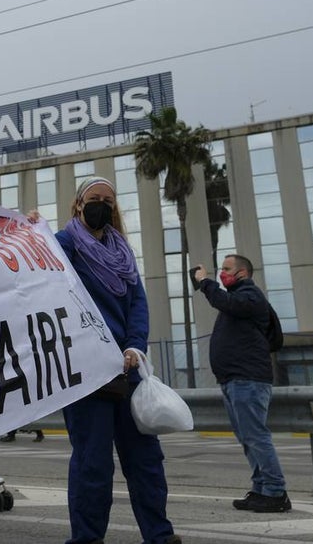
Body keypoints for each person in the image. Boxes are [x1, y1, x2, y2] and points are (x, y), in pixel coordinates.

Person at [46, 177, 181, 544]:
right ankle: (86, 539)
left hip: (129, 367)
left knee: (146, 460)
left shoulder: (123, 253)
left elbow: (137, 303)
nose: (101, 205)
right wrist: (32, 231)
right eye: (94, 199)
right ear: (78, 205)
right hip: (89, 371)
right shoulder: (64, 244)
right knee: (93, 464)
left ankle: (160, 535)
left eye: (108, 200)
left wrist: (135, 345)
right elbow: (44, 279)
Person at [193, 255, 291, 514]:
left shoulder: (250, 296)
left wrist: (205, 282)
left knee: (256, 436)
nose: (222, 273)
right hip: (233, 380)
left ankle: (275, 491)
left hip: (248, 380)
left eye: (226, 269)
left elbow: (224, 301)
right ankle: (261, 489)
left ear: (242, 273)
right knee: (248, 438)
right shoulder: (238, 298)